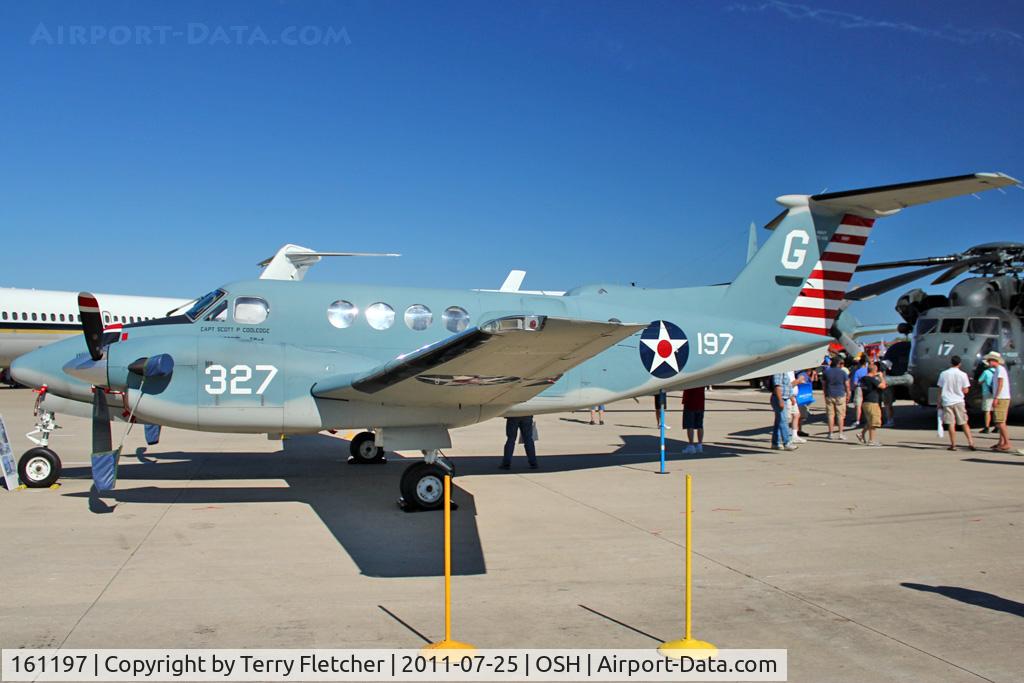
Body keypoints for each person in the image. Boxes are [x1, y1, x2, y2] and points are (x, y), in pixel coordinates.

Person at [937, 355, 976, 451]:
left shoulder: (943, 374)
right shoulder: (963, 374)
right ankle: (970, 442)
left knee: (951, 423)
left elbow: (940, 389)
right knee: (964, 422)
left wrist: (939, 402)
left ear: (951, 363)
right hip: (959, 400)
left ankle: (953, 444)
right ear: (959, 364)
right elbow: (966, 390)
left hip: (947, 401)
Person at [985, 351, 1016, 453]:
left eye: (990, 360)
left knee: (1000, 421)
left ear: (995, 361)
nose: (988, 362)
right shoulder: (999, 369)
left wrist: (996, 397)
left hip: (1001, 398)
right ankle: (1001, 442)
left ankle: (1006, 443)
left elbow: (1000, 384)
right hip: (1002, 397)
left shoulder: (1000, 370)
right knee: (1001, 421)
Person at [857, 362, 887, 446]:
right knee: (874, 422)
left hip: (865, 402)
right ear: (875, 370)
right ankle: (871, 440)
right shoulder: (872, 380)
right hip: (872, 402)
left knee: (870, 421)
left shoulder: (864, 379)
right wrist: (881, 377)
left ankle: (861, 434)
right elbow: (883, 386)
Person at [822, 357, 850, 440]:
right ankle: (841, 433)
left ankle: (830, 433)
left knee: (830, 415)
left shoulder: (826, 372)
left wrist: (825, 394)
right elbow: (847, 385)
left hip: (829, 394)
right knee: (840, 415)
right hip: (840, 394)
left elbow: (824, 385)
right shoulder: (843, 372)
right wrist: (848, 394)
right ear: (838, 364)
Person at [770, 371, 798, 450]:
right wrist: (780, 400)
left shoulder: (785, 372)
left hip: (784, 398)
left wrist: (791, 397)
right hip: (779, 398)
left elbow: (787, 386)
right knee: (784, 421)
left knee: (779, 422)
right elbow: (777, 386)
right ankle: (787, 443)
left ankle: (775, 443)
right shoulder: (778, 371)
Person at [681, 387, 705, 454]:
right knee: (700, 425)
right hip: (700, 403)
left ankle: (691, 445)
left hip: (690, 403)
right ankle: (700, 444)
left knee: (690, 425)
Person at [850, 358, 868, 428]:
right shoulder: (868, 370)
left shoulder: (857, 371)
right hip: (868, 388)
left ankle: (858, 420)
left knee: (858, 405)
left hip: (859, 388)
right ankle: (867, 418)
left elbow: (855, 383)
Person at [978, 362, 996, 433]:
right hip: (995, 393)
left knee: (987, 411)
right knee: (995, 411)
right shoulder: (997, 371)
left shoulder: (986, 372)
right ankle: (996, 426)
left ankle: (987, 427)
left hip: (987, 393)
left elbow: (979, 381)